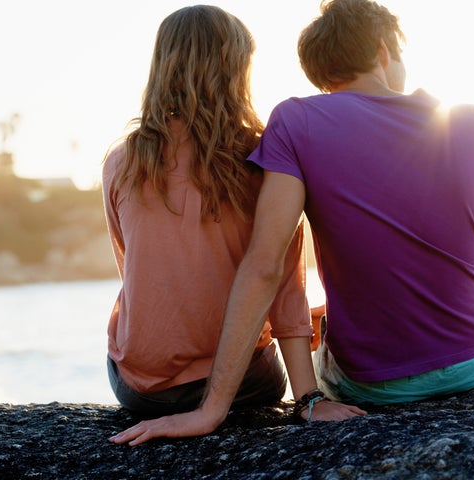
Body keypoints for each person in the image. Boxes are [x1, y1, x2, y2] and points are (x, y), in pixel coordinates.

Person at [110, 0, 474, 446]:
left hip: (148, 385)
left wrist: (214, 408)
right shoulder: (470, 119)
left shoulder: (124, 162)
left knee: (321, 330)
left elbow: (164, 269)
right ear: (385, 49)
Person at [101, 5, 315, 418]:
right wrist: (308, 399)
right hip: (244, 385)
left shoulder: (122, 161)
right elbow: (283, 285)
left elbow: (136, 270)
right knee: (312, 331)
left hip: (141, 389)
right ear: (237, 70)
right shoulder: (267, 160)